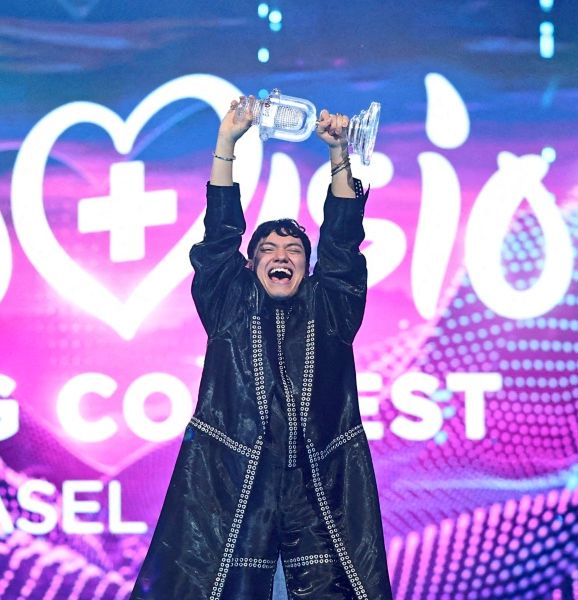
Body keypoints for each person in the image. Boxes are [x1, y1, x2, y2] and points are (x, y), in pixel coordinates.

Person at [130, 97, 393, 599]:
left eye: (294, 250)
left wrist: (339, 154)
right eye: (268, 249)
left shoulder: (332, 310)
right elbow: (218, 240)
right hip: (233, 484)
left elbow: (342, 245)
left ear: (307, 269)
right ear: (251, 267)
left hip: (319, 489)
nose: (281, 255)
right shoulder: (229, 304)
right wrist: (226, 142)